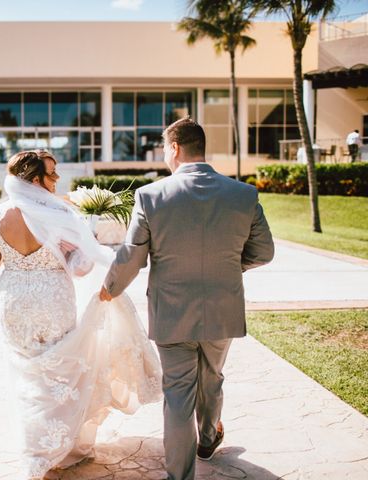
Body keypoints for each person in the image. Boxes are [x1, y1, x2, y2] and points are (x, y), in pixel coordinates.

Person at [100, 117, 274, 480]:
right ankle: (208, 439)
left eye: (165, 148)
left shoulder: (151, 196)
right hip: (223, 306)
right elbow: (264, 252)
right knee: (212, 376)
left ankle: (180, 475)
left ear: (175, 148)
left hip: (172, 311)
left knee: (178, 392)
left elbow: (132, 256)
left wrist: (110, 288)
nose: (165, 155)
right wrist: (227, 268)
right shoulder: (243, 194)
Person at [0, 150, 162, 479]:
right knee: (59, 374)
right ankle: (59, 448)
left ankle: (33, 445)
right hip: (53, 302)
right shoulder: (58, 215)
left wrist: (16, 259)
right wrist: (87, 241)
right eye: (52, 174)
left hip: (14, 303)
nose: (57, 179)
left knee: (28, 374)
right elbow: (81, 269)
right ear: (35, 180)